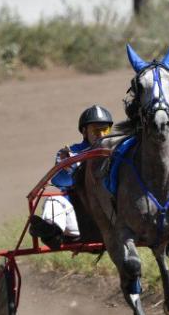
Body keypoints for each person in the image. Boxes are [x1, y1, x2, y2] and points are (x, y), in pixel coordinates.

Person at [28, 104, 113, 249]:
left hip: (111, 218)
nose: (102, 135)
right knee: (54, 200)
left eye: (105, 129)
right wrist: (71, 166)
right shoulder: (69, 153)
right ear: (85, 132)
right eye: (96, 130)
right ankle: (52, 234)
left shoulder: (116, 152)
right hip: (81, 221)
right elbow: (60, 181)